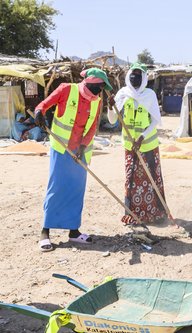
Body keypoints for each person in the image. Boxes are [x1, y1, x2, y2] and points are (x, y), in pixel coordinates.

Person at [34, 68, 113, 252]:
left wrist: (82, 149)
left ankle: (74, 232)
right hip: (61, 147)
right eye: (100, 86)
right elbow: (44, 105)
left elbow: (92, 127)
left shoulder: (96, 101)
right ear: (92, 82)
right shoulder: (66, 89)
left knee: (76, 189)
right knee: (57, 186)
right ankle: (45, 232)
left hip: (81, 151)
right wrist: (39, 113)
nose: (100, 91)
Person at [108, 63, 168, 224]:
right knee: (132, 180)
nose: (135, 78)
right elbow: (113, 120)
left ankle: (155, 214)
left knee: (151, 179)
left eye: (138, 75)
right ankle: (134, 215)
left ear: (144, 78)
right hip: (130, 147)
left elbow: (155, 120)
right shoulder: (123, 94)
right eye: (132, 75)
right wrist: (110, 107)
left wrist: (142, 137)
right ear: (128, 76)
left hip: (148, 145)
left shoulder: (149, 95)